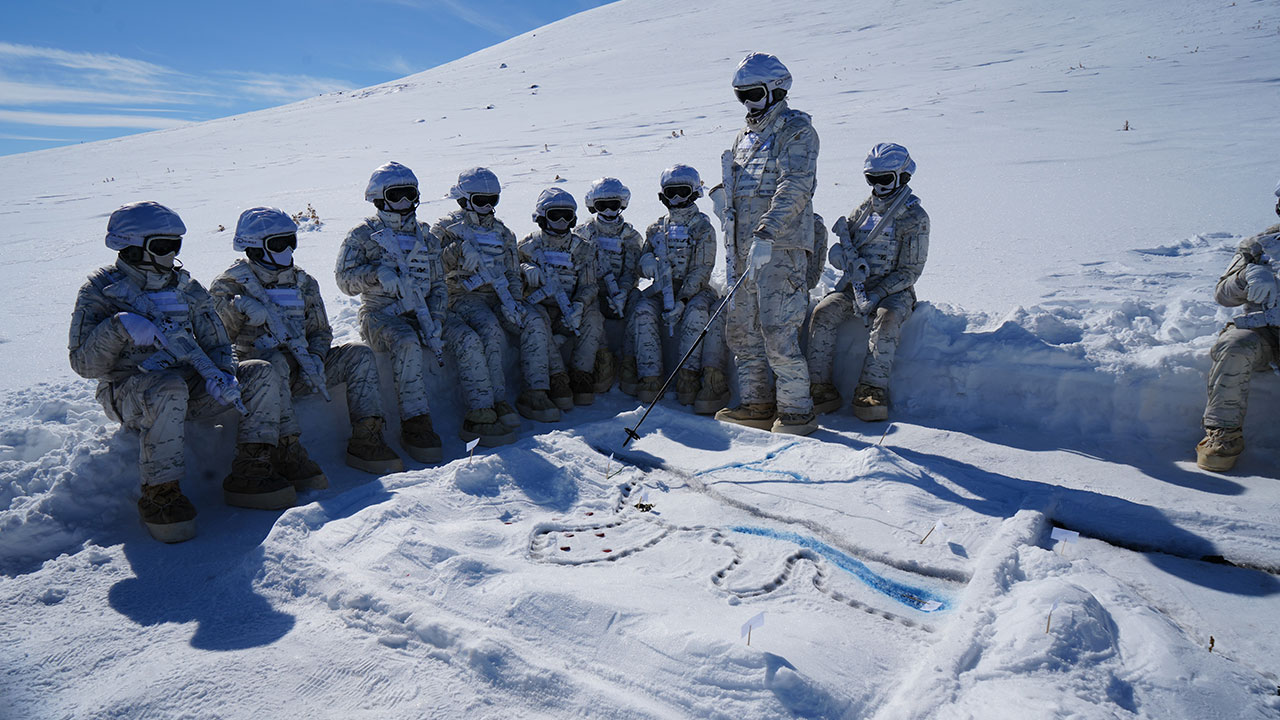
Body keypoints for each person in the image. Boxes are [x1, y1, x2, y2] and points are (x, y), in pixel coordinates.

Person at [70, 202, 295, 543]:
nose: (172, 254)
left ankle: (253, 470)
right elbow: (85, 366)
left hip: (187, 384)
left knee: (260, 373)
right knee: (169, 387)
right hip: (128, 392)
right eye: (163, 246)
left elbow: (216, 341)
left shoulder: (186, 289)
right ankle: (160, 494)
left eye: (175, 245)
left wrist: (223, 375)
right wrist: (118, 328)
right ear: (132, 245)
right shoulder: (101, 290)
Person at [211, 206, 404, 480]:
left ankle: (368, 436)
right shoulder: (230, 286)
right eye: (278, 244)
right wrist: (237, 310)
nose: (288, 250)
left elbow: (320, 330)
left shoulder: (303, 283)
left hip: (303, 367)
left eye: (291, 241)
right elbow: (218, 340)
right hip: (258, 378)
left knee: (358, 355)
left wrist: (316, 354)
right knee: (274, 361)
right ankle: (286, 449)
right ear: (254, 248)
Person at [337, 162, 512, 460]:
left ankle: (481, 410)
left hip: (426, 313)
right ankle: (415, 422)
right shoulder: (362, 236)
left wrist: (437, 318)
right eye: (397, 196)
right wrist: (376, 274)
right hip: (381, 315)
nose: (405, 203)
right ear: (379, 198)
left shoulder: (425, 237)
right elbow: (344, 281)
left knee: (467, 338)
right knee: (405, 342)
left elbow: (438, 284)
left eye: (410, 195)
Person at [714, 52, 819, 434]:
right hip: (743, 251)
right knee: (743, 328)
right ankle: (756, 402)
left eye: (754, 94)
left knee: (778, 328)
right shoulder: (744, 138)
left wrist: (767, 232)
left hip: (780, 247)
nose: (748, 104)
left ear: (777, 90)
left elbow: (795, 186)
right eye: (741, 96)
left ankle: (796, 411)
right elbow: (743, 188)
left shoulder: (796, 131)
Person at [807, 142, 930, 422]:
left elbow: (910, 271)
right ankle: (819, 386)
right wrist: (839, 257)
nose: (877, 186)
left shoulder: (914, 217)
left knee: (887, 321)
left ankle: (871, 388)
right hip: (855, 286)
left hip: (894, 291)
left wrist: (878, 293)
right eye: (871, 179)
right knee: (823, 313)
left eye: (884, 179)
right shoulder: (863, 209)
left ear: (903, 176)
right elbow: (844, 241)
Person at [434, 167, 561, 423]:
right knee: (489, 328)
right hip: (461, 297)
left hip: (499, 295)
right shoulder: (447, 229)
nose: (488, 206)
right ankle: (495, 401)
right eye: (481, 200)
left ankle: (537, 391)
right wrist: (455, 252)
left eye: (493, 200)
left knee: (533, 319)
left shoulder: (502, 233)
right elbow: (430, 267)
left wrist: (513, 301)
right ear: (465, 199)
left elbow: (513, 272)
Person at [1196, 181, 1280, 471]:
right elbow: (1222, 295)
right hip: (1265, 332)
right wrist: (1247, 276)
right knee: (1233, 345)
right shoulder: (1258, 247)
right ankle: (1223, 437)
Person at [633, 164, 729, 413]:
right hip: (663, 287)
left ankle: (688, 375)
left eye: (682, 191)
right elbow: (644, 258)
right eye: (671, 192)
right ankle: (650, 376)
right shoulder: (656, 228)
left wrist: (683, 299)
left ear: (694, 192)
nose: (676, 198)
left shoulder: (702, 228)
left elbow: (701, 268)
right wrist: (646, 264)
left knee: (697, 311)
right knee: (643, 308)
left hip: (695, 290)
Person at [518, 188, 603, 407]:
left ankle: (581, 374)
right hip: (540, 304)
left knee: (593, 317)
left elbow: (589, 285)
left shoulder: (582, 248)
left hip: (571, 304)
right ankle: (556, 378)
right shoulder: (529, 245)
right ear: (542, 217)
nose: (562, 221)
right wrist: (524, 269)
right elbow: (511, 274)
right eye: (556, 216)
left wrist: (579, 304)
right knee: (537, 321)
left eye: (567, 215)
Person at [575, 177, 644, 395]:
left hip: (622, 292)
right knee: (590, 308)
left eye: (613, 205)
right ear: (593, 206)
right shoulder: (583, 233)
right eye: (601, 206)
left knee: (639, 305)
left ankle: (630, 360)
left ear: (622, 204)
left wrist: (623, 291)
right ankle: (602, 357)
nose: (608, 211)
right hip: (593, 290)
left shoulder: (630, 237)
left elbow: (631, 269)